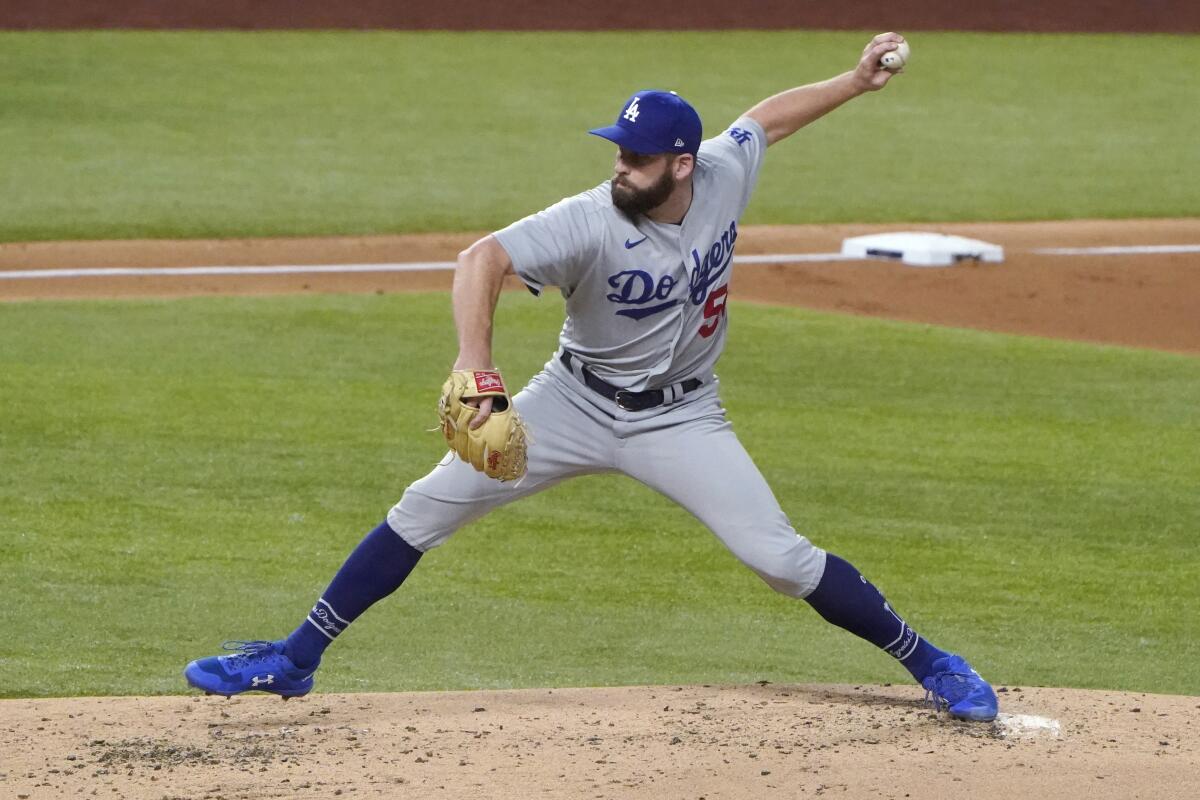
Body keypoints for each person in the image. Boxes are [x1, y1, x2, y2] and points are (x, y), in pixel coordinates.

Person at [184, 33, 998, 722]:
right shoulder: (587, 220)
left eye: (638, 155)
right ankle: (293, 659)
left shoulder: (722, 170)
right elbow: (482, 258)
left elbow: (764, 120)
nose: (621, 164)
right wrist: (476, 362)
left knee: (780, 561)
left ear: (682, 165)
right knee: (424, 508)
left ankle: (931, 663)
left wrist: (854, 82)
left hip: (683, 420)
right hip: (572, 402)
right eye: (617, 148)